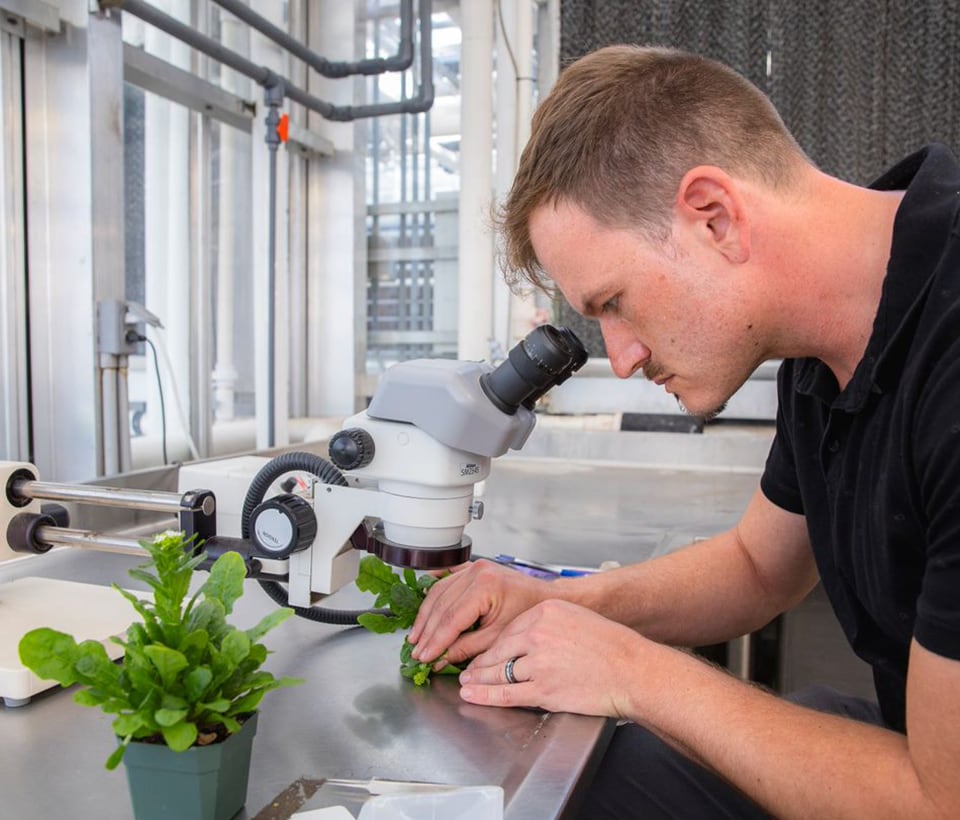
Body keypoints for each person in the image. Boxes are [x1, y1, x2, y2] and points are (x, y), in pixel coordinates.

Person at [407, 44, 960, 818]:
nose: (624, 358)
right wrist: (554, 603)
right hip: (914, 748)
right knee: (611, 771)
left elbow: (940, 801)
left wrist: (634, 672)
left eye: (615, 303)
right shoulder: (820, 344)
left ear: (715, 216)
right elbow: (757, 567)